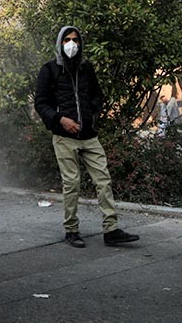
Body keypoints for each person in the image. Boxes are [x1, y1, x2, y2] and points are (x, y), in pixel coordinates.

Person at [34, 26, 140, 249]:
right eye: (67, 40)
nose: (71, 44)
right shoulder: (49, 70)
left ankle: (111, 230)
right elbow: (41, 103)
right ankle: (71, 230)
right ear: (60, 43)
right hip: (64, 137)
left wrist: (91, 113)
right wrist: (60, 119)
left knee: (103, 180)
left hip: (89, 136)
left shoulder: (86, 69)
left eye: (75, 40)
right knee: (72, 183)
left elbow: (97, 95)